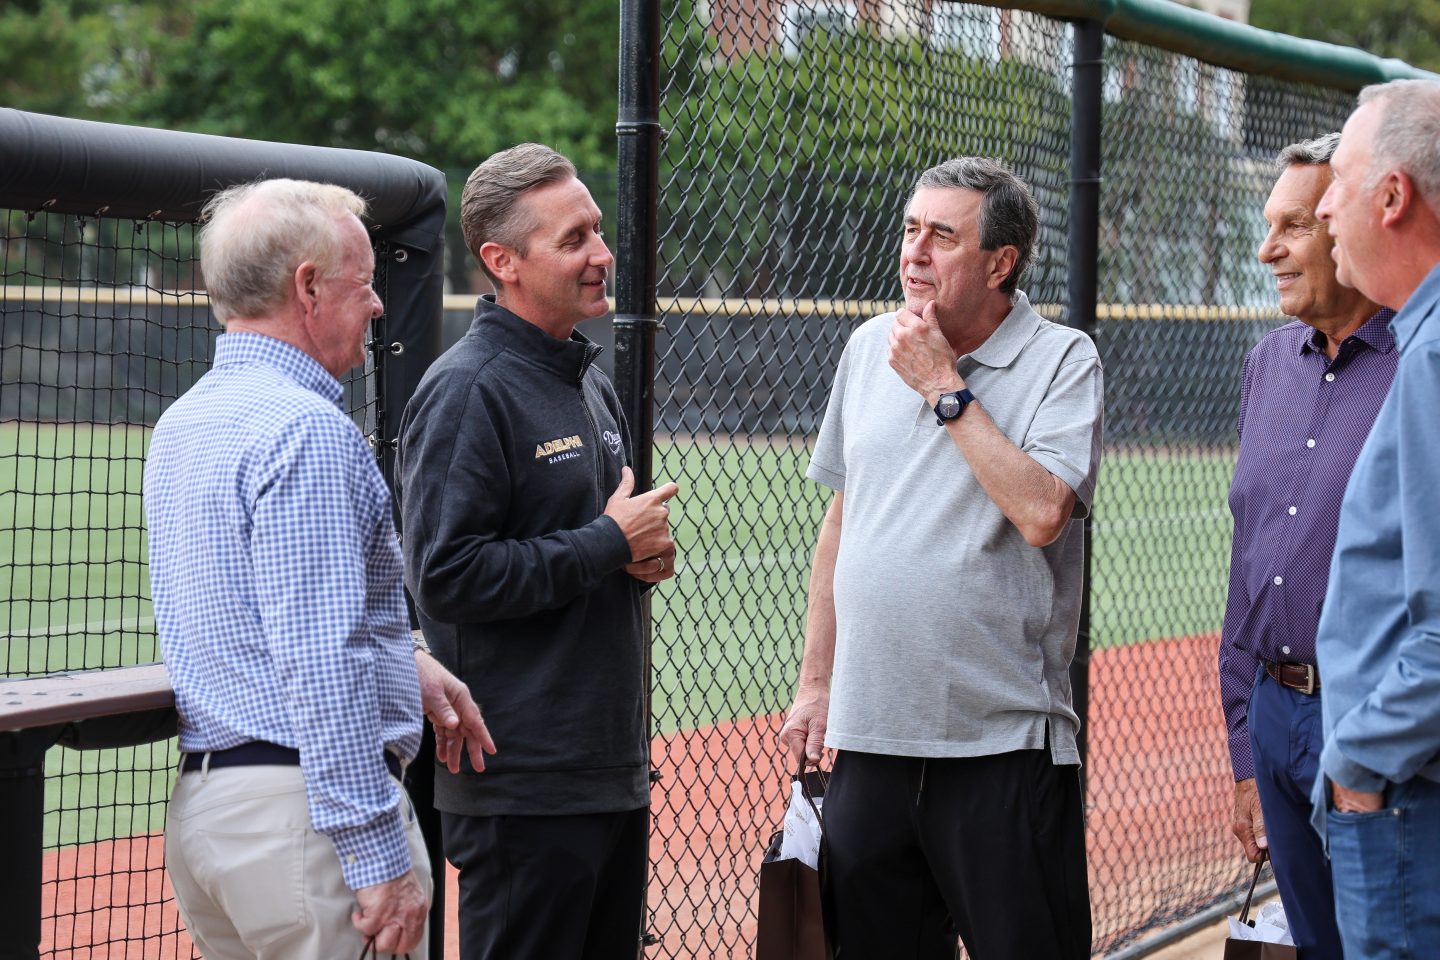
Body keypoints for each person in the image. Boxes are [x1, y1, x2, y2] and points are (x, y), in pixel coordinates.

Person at [146, 178, 493, 960]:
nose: (377, 306)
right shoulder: (307, 430)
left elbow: (261, 616)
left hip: (209, 817)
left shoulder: (182, 420)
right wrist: (379, 859)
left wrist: (405, 662)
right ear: (307, 287)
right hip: (309, 820)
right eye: (364, 283)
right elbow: (320, 658)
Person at [778, 157, 1102, 959]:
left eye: (943, 236)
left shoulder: (1063, 359)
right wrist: (816, 683)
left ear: (1002, 262)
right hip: (872, 737)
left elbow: (1041, 512)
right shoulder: (867, 348)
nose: (915, 252)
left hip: (999, 746)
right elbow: (842, 521)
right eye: (911, 230)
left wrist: (944, 388)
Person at [397, 143, 679, 960]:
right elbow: (444, 576)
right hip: (522, 788)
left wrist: (636, 555)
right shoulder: (467, 389)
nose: (601, 254)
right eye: (574, 239)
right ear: (502, 262)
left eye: (596, 230)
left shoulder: (583, 376)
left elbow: (600, 540)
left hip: (605, 768)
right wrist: (604, 543)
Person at [1216, 133, 1395, 960]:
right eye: (1268, 224)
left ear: (1346, 224)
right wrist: (1246, 747)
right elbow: (1246, 566)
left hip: (1374, 714)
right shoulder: (1265, 366)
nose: (1268, 250)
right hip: (1277, 709)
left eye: (1293, 226)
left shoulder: (1419, 366)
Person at [1311, 78, 1440, 957]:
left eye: (1340, 179)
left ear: (1393, 196)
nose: (1322, 207)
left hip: (1406, 796)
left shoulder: (1433, 355)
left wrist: (1358, 764)